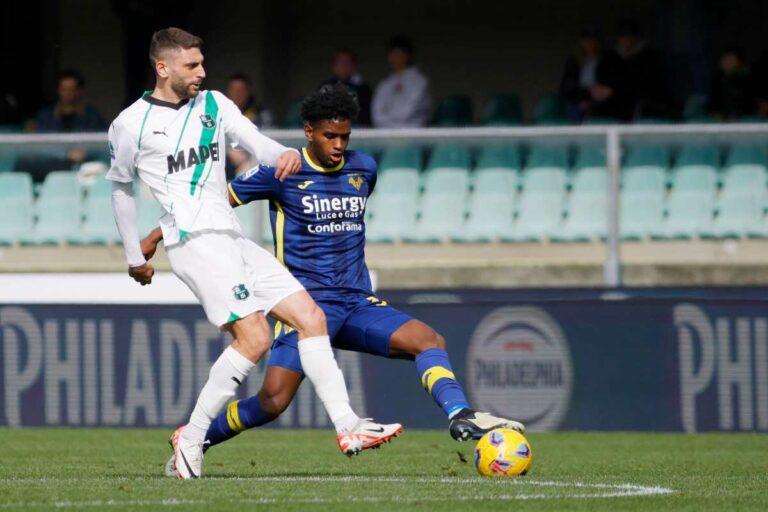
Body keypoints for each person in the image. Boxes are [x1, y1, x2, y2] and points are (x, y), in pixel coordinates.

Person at [141, 84, 525, 476]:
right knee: (273, 401)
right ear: (309, 132)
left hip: (358, 304)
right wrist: (155, 237)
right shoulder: (281, 172)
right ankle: (196, 436)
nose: (339, 144)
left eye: (345, 136)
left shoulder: (364, 169)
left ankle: (460, 414)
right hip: (305, 306)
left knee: (429, 341)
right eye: (330, 136)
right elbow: (208, 206)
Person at [107, 28, 400, 480]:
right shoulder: (131, 124)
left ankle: (349, 426)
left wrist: (282, 153)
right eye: (191, 66)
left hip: (231, 235)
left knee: (311, 317)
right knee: (256, 338)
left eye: (203, 63)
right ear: (162, 67)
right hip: (192, 241)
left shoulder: (215, 105)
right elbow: (121, 188)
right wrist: (134, 255)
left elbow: (253, 139)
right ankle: (192, 438)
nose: (202, 72)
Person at [590, 19, 669, 121]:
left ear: (636, 37)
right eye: (623, 36)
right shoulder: (609, 58)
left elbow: (649, 86)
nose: (626, 39)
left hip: (641, 106)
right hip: (611, 105)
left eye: (630, 35)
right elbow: (601, 81)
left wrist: (613, 91)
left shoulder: (650, 57)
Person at [371, 36, 431, 127]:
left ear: (407, 55)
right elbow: (377, 113)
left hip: (413, 134)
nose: (395, 57)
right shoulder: (385, 83)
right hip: (385, 135)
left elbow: (407, 111)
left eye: (398, 53)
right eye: (392, 53)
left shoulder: (419, 82)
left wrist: (389, 116)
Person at [225, 73, 274, 177]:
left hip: (253, 161)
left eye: (241, 89)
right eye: (234, 89)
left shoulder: (261, 114)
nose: (237, 93)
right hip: (226, 163)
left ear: (248, 91)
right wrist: (227, 150)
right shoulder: (220, 114)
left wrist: (248, 159)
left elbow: (267, 141)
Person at [32, 70, 107, 132]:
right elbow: (39, 145)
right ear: (58, 90)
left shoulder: (92, 116)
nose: (68, 93)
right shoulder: (45, 116)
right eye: (64, 89)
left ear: (79, 91)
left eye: (72, 89)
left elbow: (103, 142)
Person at [559, 25, 603, 123]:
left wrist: (590, 100)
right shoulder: (574, 61)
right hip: (577, 101)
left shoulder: (605, 60)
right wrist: (581, 99)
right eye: (586, 40)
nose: (590, 43)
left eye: (593, 40)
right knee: (571, 108)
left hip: (598, 101)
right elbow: (567, 87)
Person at [320, 49, 372, 125]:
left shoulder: (362, 88)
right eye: (339, 62)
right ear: (333, 66)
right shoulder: (325, 87)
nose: (343, 66)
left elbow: (366, 116)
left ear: (353, 65)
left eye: (347, 62)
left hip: (358, 131)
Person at [709, 47, 755, 120]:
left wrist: (735, 115)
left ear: (738, 61)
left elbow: (749, 103)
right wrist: (717, 114)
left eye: (731, 59)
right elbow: (713, 103)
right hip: (721, 119)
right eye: (725, 59)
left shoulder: (746, 79)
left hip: (744, 119)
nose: (727, 62)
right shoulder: (717, 80)